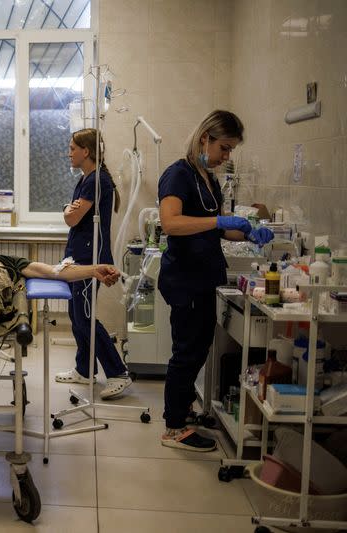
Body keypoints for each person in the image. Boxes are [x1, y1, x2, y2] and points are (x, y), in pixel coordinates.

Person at [157, 110, 273, 452]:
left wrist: (249, 231)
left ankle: (184, 411)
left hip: (205, 273)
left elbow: (218, 226)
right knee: (187, 352)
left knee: (199, 347)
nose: (227, 156)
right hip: (186, 277)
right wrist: (219, 221)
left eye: (231, 149)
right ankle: (174, 427)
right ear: (205, 137)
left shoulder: (206, 177)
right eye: (224, 147)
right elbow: (171, 223)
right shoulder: (178, 174)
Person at [53, 129, 132, 401]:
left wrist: (67, 210)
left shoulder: (97, 180)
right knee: (78, 316)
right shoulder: (87, 179)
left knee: (85, 317)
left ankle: (118, 373)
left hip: (90, 260)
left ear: (86, 151)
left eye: (73, 148)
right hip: (79, 256)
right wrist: (68, 209)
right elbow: (72, 214)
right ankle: (84, 370)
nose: (69, 152)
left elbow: (72, 219)